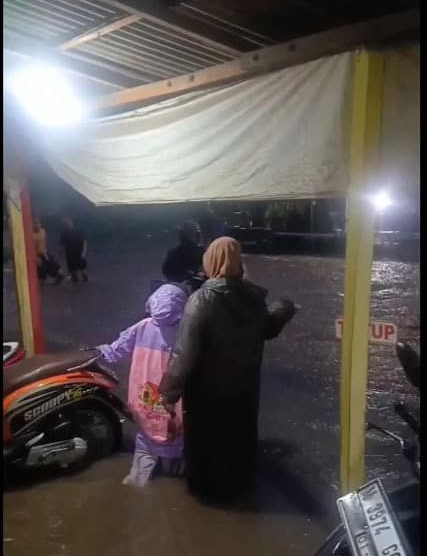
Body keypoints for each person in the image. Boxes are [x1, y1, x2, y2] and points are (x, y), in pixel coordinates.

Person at [159, 238, 297, 504]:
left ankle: (206, 494)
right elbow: (267, 328)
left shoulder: (201, 299)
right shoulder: (255, 299)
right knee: (238, 437)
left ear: (210, 261)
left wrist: (169, 392)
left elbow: (183, 353)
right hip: (244, 389)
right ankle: (239, 487)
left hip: (206, 393)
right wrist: (284, 309)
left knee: (207, 443)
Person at [97, 284, 189, 485]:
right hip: (172, 399)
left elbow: (115, 350)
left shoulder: (142, 327)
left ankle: (138, 479)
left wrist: (95, 352)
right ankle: (174, 472)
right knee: (176, 435)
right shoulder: (185, 331)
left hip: (144, 396)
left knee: (146, 435)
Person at [34, 218, 65, 285]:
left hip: (45, 253)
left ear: (40, 224)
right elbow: (31, 247)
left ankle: (58, 278)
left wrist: (46, 251)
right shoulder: (31, 234)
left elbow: (43, 242)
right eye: (34, 224)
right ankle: (41, 285)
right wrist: (36, 257)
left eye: (37, 224)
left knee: (57, 268)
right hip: (38, 255)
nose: (36, 225)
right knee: (42, 273)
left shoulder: (43, 231)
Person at [60, 216, 88, 283]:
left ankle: (83, 276)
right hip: (69, 252)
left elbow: (84, 241)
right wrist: (61, 252)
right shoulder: (64, 232)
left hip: (78, 251)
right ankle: (74, 279)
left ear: (72, 222)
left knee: (82, 266)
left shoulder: (78, 230)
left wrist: (84, 251)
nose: (67, 224)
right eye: (65, 223)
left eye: (68, 222)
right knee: (72, 268)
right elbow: (62, 243)